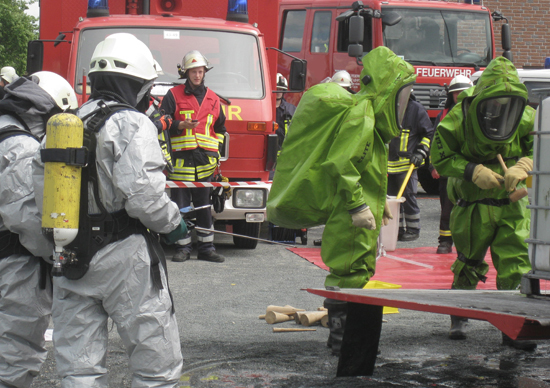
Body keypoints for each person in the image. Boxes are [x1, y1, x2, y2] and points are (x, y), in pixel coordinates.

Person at [33, 33, 187, 386]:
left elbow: (37, 197)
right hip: (124, 257)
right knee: (155, 364)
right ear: (134, 83)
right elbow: (145, 198)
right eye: (146, 88)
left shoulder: (62, 126)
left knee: (78, 369)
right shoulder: (133, 124)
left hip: (70, 255)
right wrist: (175, 226)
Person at [267, 46, 416, 356]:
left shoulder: (370, 116)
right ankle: (343, 342)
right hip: (350, 216)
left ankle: (346, 339)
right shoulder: (362, 115)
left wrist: (378, 202)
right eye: (400, 93)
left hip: (357, 212)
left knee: (355, 271)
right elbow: (341, 163)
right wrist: (358, 205)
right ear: (388, 88)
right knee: (349, 272)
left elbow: (366, 169)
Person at [431, 56, 537, 350]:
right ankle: (460, 314)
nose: (501, 110)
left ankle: (512, 324)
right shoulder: (459, 118)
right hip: (472, 200)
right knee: (468, 260)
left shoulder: (526, 116)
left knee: (515, 261)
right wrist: (471, 170)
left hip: (510, 201)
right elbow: (440, 157)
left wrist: (525, 166)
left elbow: (542, 148)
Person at [0, 71, 76, 388]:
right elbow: (25, 216)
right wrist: (58, 254)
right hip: (13, 262)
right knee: (15, 352)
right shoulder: (17, 144)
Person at [159, 50, 227, 263]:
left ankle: (207, 248)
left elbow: (221, 129)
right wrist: (179, 125)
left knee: (204, 207)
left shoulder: (214, 99)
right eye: (193, 71)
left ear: (205, 72)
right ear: (185, 73)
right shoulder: (173, 95)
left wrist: (215, 153)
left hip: (205, 163)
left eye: (200, 71)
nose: (197, 75)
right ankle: (183, 247)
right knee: (181, 207)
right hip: (181, 162)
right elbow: (161, 122)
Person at [430, 75, 473, 254]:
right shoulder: (444, 115)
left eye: (463, 92)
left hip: (468, 170)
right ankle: (445, 242)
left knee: (469, 210)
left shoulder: (475, 113)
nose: (459, 96)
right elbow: (435, 142)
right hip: (448, 170)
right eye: (456, 94)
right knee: (446, 210)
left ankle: (467, 244)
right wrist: (433, 166)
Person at [386, 93, 433, 241]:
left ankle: (413, 229)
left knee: (409, 197)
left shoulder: (416, 109)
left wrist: (420, 153)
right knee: (391, 200)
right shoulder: (388, 109)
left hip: (407, 165)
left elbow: (429, 134)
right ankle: (396, 229)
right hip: (388, 165)